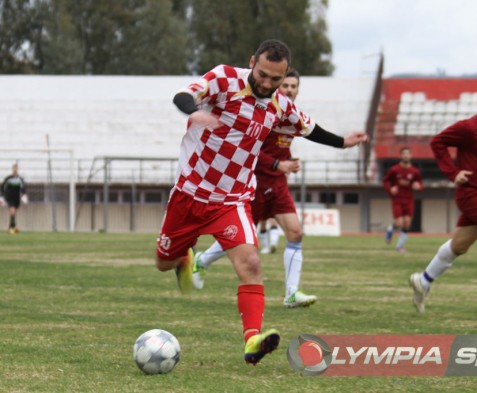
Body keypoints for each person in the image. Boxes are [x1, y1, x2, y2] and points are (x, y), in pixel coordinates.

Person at [155, 39, 367, 366]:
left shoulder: (280, 105)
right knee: (163, 262)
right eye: (263, 75)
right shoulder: (225, 79)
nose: (267, 84)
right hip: (190, 194)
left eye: (275, 80)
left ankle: (252, 338)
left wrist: (342, 142)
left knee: (251, 264)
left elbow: (309, 128)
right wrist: (196, 112)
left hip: (233, 199)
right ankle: (183, 257)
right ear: (252, 61)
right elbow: (182, 94)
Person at [193, 68, 353, 308]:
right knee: (243, 239)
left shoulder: (291, 115)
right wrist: (279, 163)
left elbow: (307, 132)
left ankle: (291, 293)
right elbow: (250, 150)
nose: (289, 90)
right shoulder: (265, 110)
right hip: (254, 182)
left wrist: (290, 162)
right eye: (285, 86)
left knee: (296, 233)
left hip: (278, 184)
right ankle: (202, 260)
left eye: (293, 86)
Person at [409, 86, 477, 313]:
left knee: (459, 245)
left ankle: (423, 281)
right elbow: (437, 143)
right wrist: (454, 173)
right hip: (472, 192)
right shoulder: (469, 127)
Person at [382, 147, 422, 252]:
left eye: (408, 154)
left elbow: (420, 184)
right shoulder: (394, 170)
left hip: (409, 200)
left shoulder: (415, 171)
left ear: (411, 156)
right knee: (399, 223)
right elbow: (385, 181)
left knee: (407, 223)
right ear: (401, 155)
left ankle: (399, 246)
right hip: (397, 200)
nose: (406, 156)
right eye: (404, 154)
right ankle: (390, 228)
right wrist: (390, 188)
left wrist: (418, 186)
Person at [0, 164, 28, 234]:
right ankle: (12, 228)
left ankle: (11, 227)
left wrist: (24, 195)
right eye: (14, 169)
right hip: (9, 197)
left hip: (17, 198)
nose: (15, 170)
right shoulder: (8, 178)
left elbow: (23, 188)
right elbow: (2, 187)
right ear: (12, 169)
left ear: (18, 169)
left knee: (14, 212)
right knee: (12, 211)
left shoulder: (20, 179)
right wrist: (2, 197)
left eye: (16, 169)